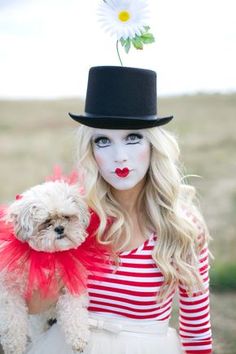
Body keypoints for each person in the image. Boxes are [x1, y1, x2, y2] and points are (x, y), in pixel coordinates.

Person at [26, 66, 212, 354]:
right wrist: (58, 258)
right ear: (91, 151)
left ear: (154, 145)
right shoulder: (75, 219)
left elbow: (196, 331)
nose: (119, 156)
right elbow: (35, 306)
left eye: (133, 137)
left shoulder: (182, 227)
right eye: (103, 141)